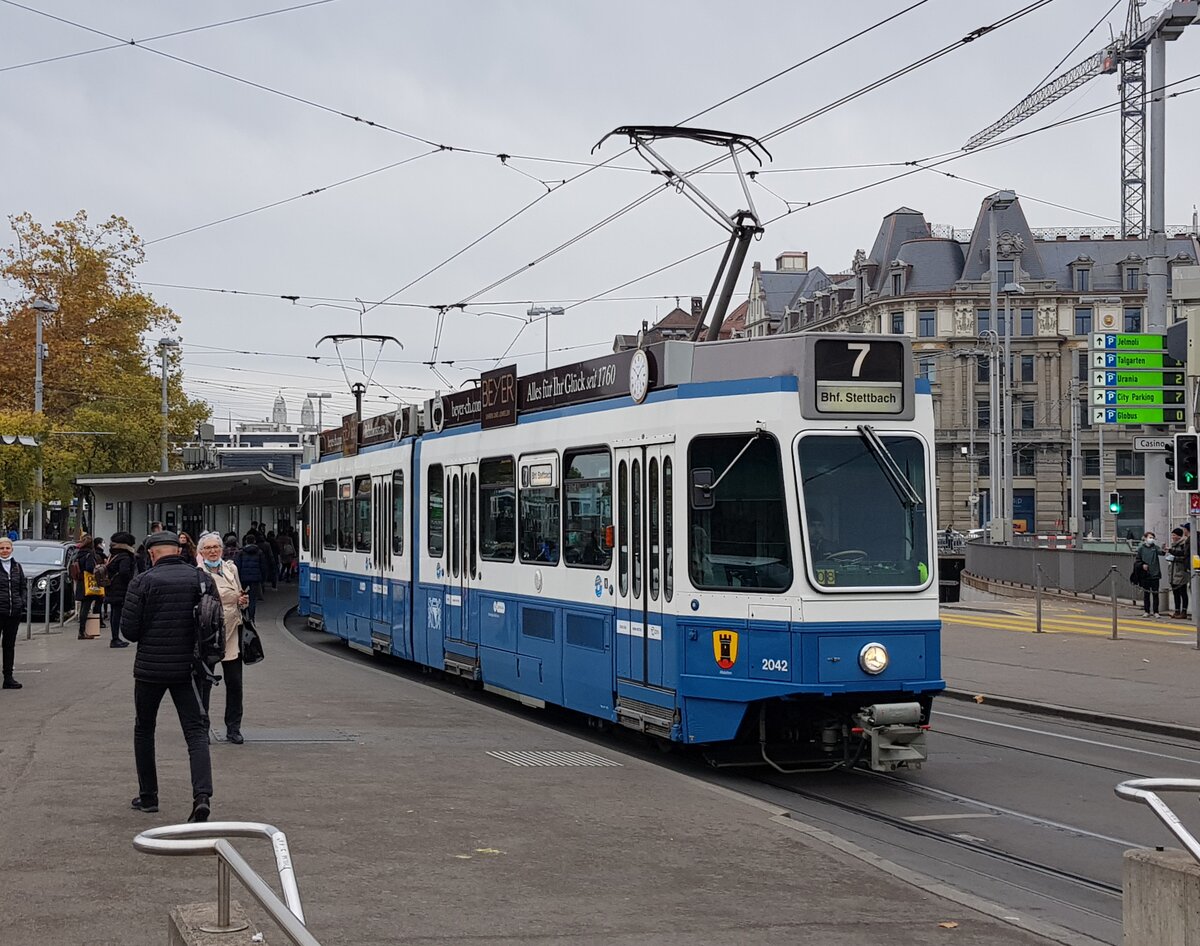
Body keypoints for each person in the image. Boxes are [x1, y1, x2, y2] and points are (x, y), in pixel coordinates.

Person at [120, 531, 217, 822]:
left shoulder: (143, 582)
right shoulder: (201, 579)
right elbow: (214, 623)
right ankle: (202, 796)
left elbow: (130, 632)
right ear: (179, 550)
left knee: (144, 729)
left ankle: (148, 796)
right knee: (196, 732)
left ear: (152, 554)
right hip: (188, 668)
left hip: (150, 669)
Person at [197, 532, 250, 744]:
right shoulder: (198, 573)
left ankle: (234, 728)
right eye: (208, 548)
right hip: (208, 634)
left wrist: (242, 600)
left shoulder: (231, 568)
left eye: (216, 547)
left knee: (235, 683)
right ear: (201, 552)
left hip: (232, 631)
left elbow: (238, 594)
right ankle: (202, 728)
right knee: (205, 684)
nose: (212, 551)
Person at [0, 537, 27, 689]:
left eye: (7, 548)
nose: (4, 551)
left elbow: (22, 586)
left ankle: (8, 678)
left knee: (9, 646)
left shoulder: (17, 567)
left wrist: (21, 602)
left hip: (13, 612)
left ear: (11, 549)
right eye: (1, 548)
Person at [105, 532, 138, 648]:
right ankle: (115, 639)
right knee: (117, 613)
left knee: (115, 612)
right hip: (120, 588)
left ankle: (115, 637)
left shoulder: (113, 555)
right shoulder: (125, 556)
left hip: (112, 587)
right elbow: (124, 572)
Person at [73, 533, 99, 640]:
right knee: (86, 607)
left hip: (80, 582)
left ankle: (82, 630)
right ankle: (82, 631)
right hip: (87, 582)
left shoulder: (78, 553)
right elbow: (89, 568)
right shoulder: (89, 554)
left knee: (84, 606)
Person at [234, 534, 265, 621]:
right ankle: (252, 618)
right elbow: (263, 566)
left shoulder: (241, 552)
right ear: (254, 541)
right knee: (252, 599)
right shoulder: (259, 552)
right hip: (255, 579)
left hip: (243, 579)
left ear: (246, 541)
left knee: (243, 597)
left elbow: (237, 566)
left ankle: (243, 615)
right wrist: (262, 578)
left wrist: (238, 579)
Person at [1134, 531, 1163, 617]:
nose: (1151, 539)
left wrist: (1164, 548)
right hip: (1145, 574)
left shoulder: (1155, 547)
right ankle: (1147, 611)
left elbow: (1161, 552)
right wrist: (1142, 565)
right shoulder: (1141, 548)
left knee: (1155, 594)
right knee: (1146, 594)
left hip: (1155, 574)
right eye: (1150, 537)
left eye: (1153, 538)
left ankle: (1156, 611)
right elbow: (1137, 560)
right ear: (1145, 538)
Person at [1169, 526, 1192, 619]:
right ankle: (1177, 610)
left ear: (1178, 536)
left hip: (1181, 571)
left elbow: (1184, 556)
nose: (1172, 537)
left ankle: (1184, 611)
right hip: (1173, 571)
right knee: (1175, 592)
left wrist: (1174, 557)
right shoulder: (1174, 545)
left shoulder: (1183, 544)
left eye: (1174, 535)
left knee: (1183, 592)